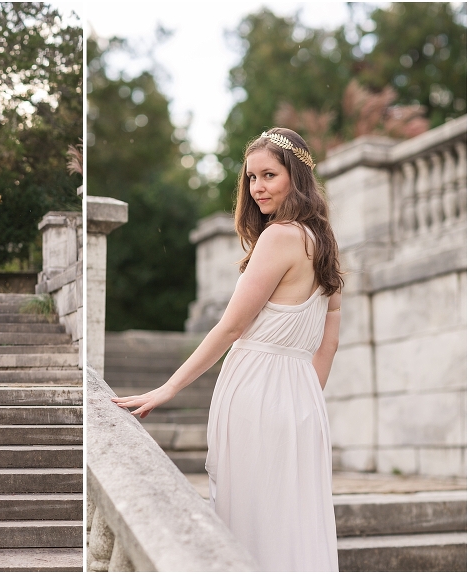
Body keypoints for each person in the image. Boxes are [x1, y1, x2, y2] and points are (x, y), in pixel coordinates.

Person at [113, 128, 342, 571]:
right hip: (302, 401)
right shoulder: (326, 243)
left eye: (269, 175)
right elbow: (328, 344)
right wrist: (299, 401)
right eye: (251, 177)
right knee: (293, 519)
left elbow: (232, 326)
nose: (257, 187)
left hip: (256, 392)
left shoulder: (280, 237)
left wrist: (168, 388)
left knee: (253, 519)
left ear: (296, 176)